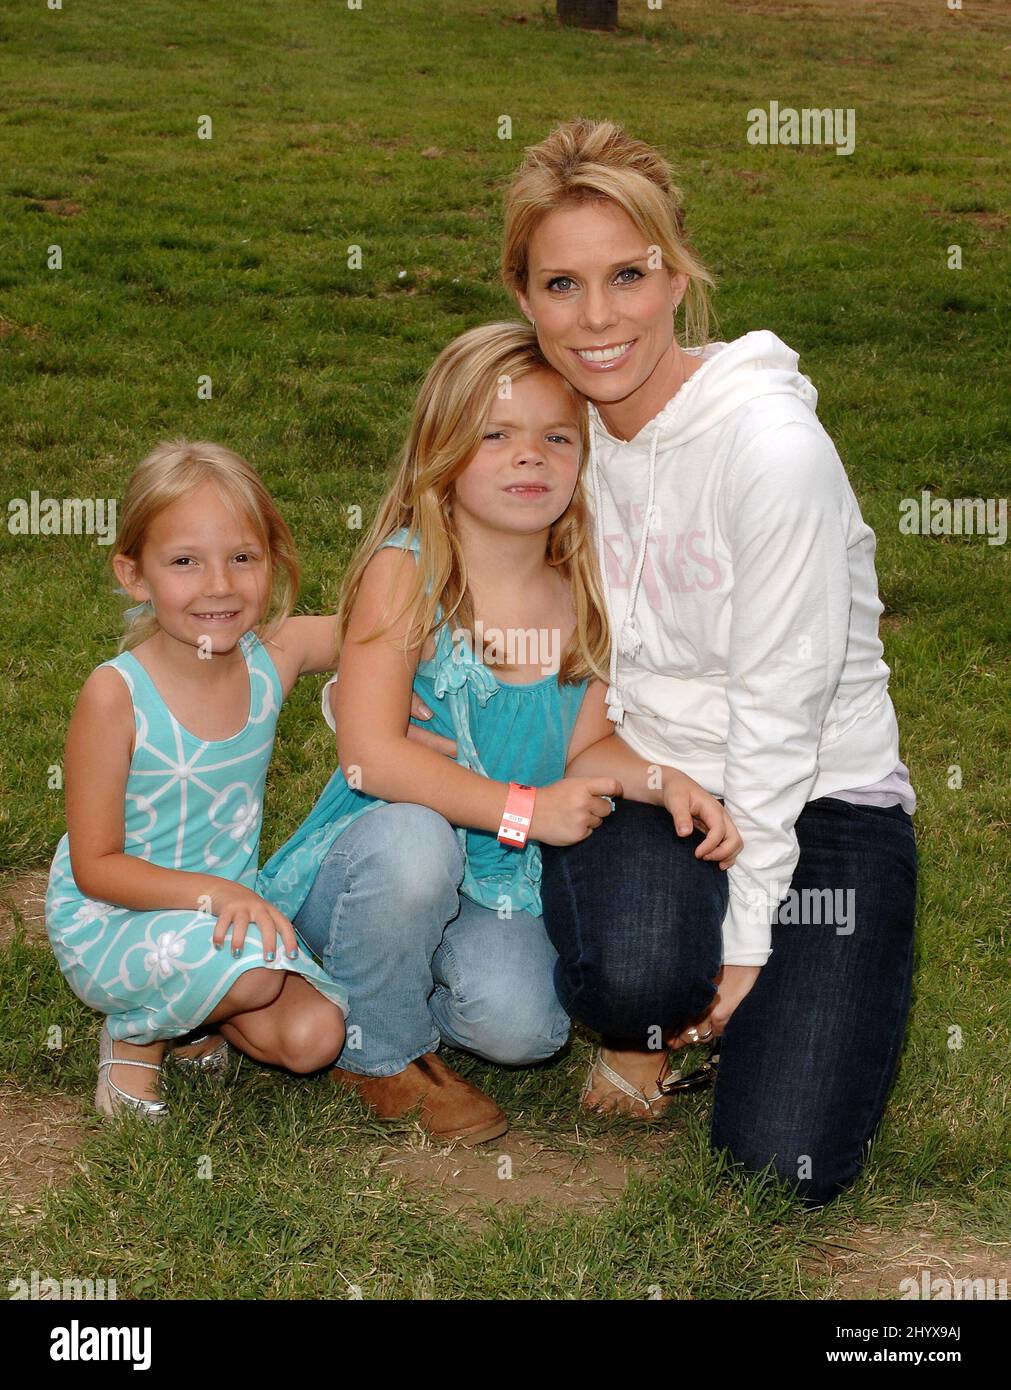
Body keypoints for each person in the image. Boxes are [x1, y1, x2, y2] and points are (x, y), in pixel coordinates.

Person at [470, 118, 917, 1205]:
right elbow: (446, 548)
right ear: (524, 297)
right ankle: (652, 1021)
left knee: (783, 1163)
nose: (599, 318)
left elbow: (778, 715)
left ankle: (739, 985)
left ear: (676, 273)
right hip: (654, 782)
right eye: (562, 285)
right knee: (636, 973)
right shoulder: (557, 432)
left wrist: (757, 936)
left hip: (822, 797)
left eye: (628, 275)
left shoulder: (770, 450)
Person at [257, 320, 741, 1145]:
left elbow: (588, 745)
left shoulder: (582, 589)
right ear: (441, 455)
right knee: (416, 849)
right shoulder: (406, 572)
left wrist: (660, 780)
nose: (531, 457)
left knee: (525, 1030)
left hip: (493, 877)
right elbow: (372, 758)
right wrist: (526, 811)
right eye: (497, 436)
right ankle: (378, 1048)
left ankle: (351, 984)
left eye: (557, 437)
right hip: (381, 853)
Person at [45, 440, 348, 1119]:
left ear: (272, 560)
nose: (219, 585)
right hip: (116, 916)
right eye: (185, 561)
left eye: (242, 557)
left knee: (313, 1038)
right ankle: (135, 1035)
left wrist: (408, 677)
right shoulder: (116, 694)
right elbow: (96, 867)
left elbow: (389, 632)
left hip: (225, 914)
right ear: (133, 574)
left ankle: (197, 1018)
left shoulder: (276, 655)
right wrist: (215, 895)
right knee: (262, 973)